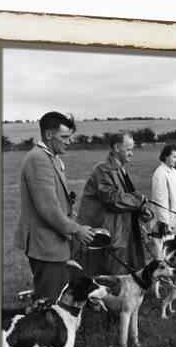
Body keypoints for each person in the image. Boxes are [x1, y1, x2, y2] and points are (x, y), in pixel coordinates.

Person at [13, 111, 95, 301]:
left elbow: (57, 201)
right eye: (64, 137)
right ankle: (44, 327)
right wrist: (77, 230)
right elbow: (48, 209)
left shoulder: (52, 158)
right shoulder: (38, 159)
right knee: (50, 299)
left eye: (69, 137)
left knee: (58, 292)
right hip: (44, 243)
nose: (68, 142)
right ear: (49, 135)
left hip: (53, 240)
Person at [75, 132, 147, 275]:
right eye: (128, 149)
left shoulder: (121, 170)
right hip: (108, 233)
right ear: (116, 147)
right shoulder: (103, 169)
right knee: (108, 279)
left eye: (132, 149)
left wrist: (142, 209)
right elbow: (112, 198)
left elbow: (126, 199)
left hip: (121, 232)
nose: (132, 154)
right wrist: (139, 200)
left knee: (120, 277)